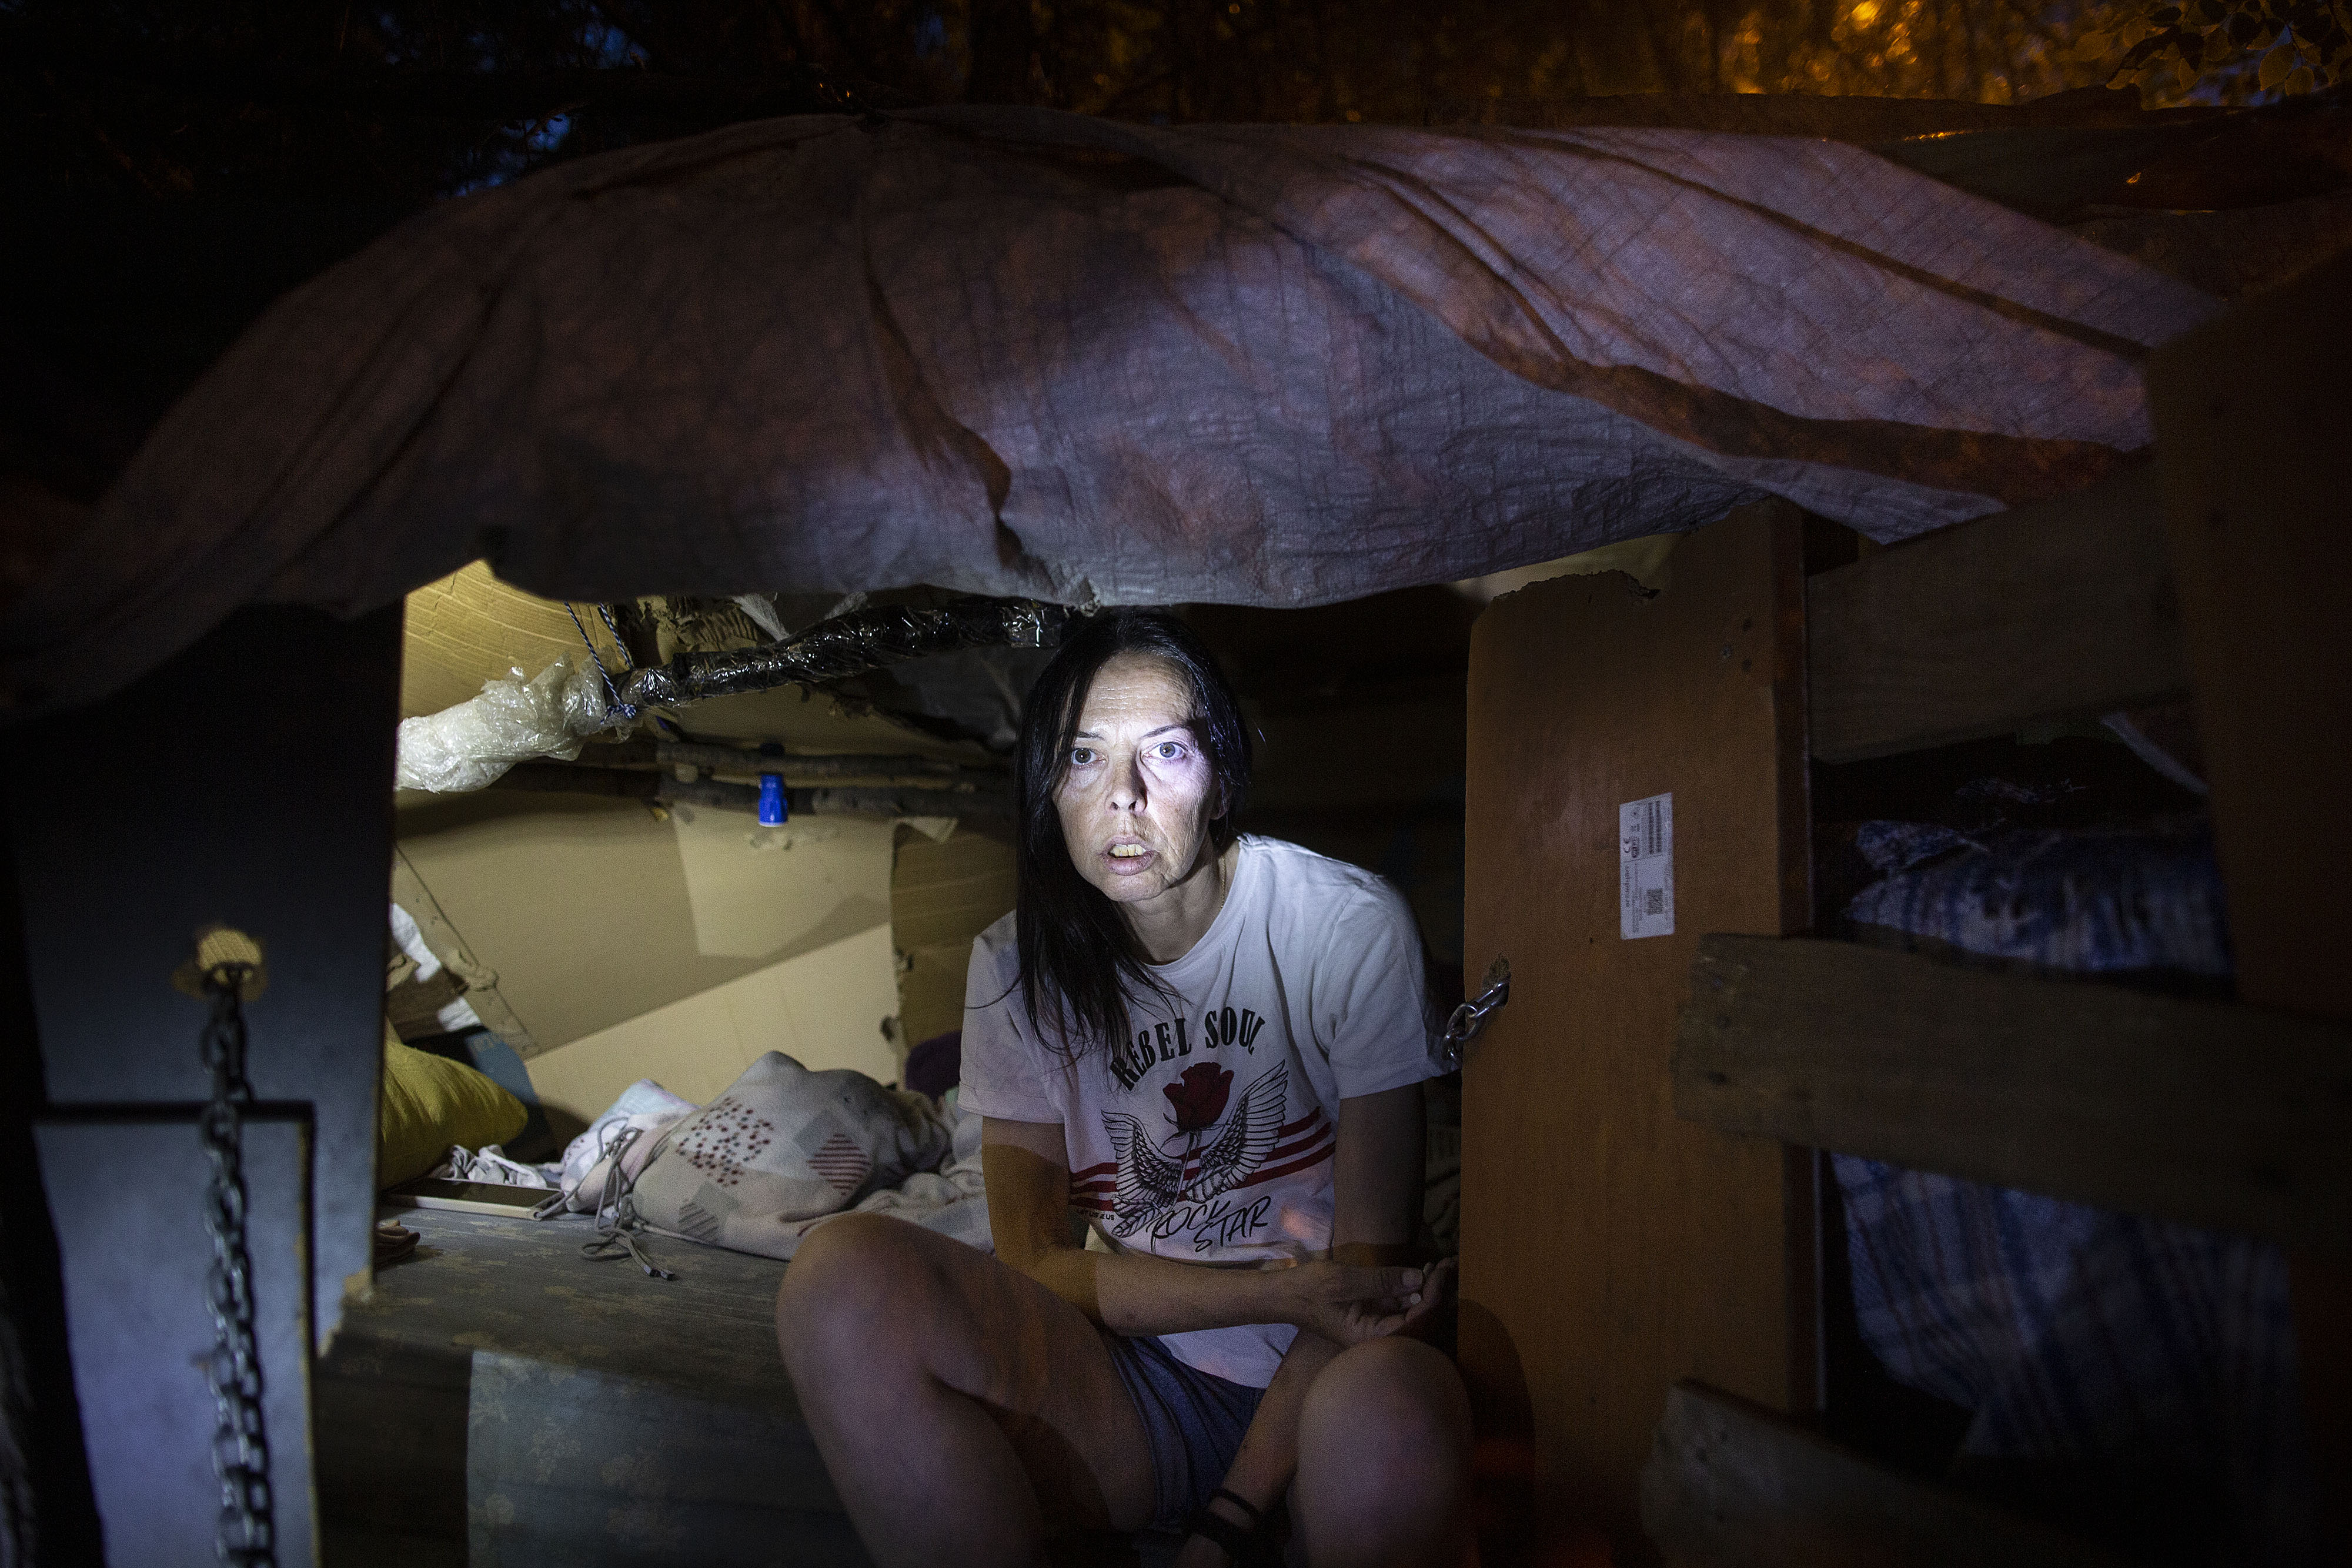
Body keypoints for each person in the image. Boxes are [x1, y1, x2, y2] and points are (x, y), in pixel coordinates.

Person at [776, 609, 1473, 1568]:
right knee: (838, 1278)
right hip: (1147, 1385)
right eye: (1083, 758)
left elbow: (1362, 1286)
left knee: (1393, 1416)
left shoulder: (1343, 928)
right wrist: (1283, 1291)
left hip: (1328, 1378)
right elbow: (1036, 1260)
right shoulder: (1016, 971)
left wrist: (1227, 1523)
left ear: (1221, 777)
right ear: (1048, 790)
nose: (1124, 798)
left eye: (1167, 752)